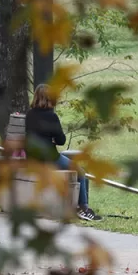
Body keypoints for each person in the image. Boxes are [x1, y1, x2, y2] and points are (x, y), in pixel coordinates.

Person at [25, 84, 95, 221]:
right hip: (49, 158)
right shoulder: (51, 116)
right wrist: (51, 139)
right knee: (80, 171)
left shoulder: (29, 115)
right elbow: (61, 140)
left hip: (32, 158)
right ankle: (83, 207)